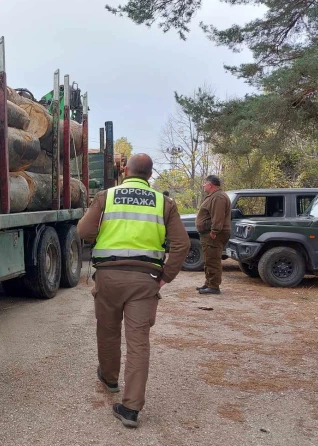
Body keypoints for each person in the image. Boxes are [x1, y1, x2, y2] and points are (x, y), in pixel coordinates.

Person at [78, 154, 189, 428]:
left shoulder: (107, 197)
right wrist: (165, 277)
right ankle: (130, 410)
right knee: (138, 342)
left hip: (109, 277)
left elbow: (84, 231)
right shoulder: (165, 203)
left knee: (107, 330)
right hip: (145, 280)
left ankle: (110, 378)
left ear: (125, 170)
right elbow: (182, 245)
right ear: (150, 175)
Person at [195, 175, 231, 295]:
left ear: (210, 185)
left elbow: (218, 216)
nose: (203, 186)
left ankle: (214, 286)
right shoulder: (214, 196)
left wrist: (214, 231)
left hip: (215, 234)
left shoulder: (218, 197)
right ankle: (209, 283)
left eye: (204, 183)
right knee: (208, 258)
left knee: (213, 259)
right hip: (209, 233)